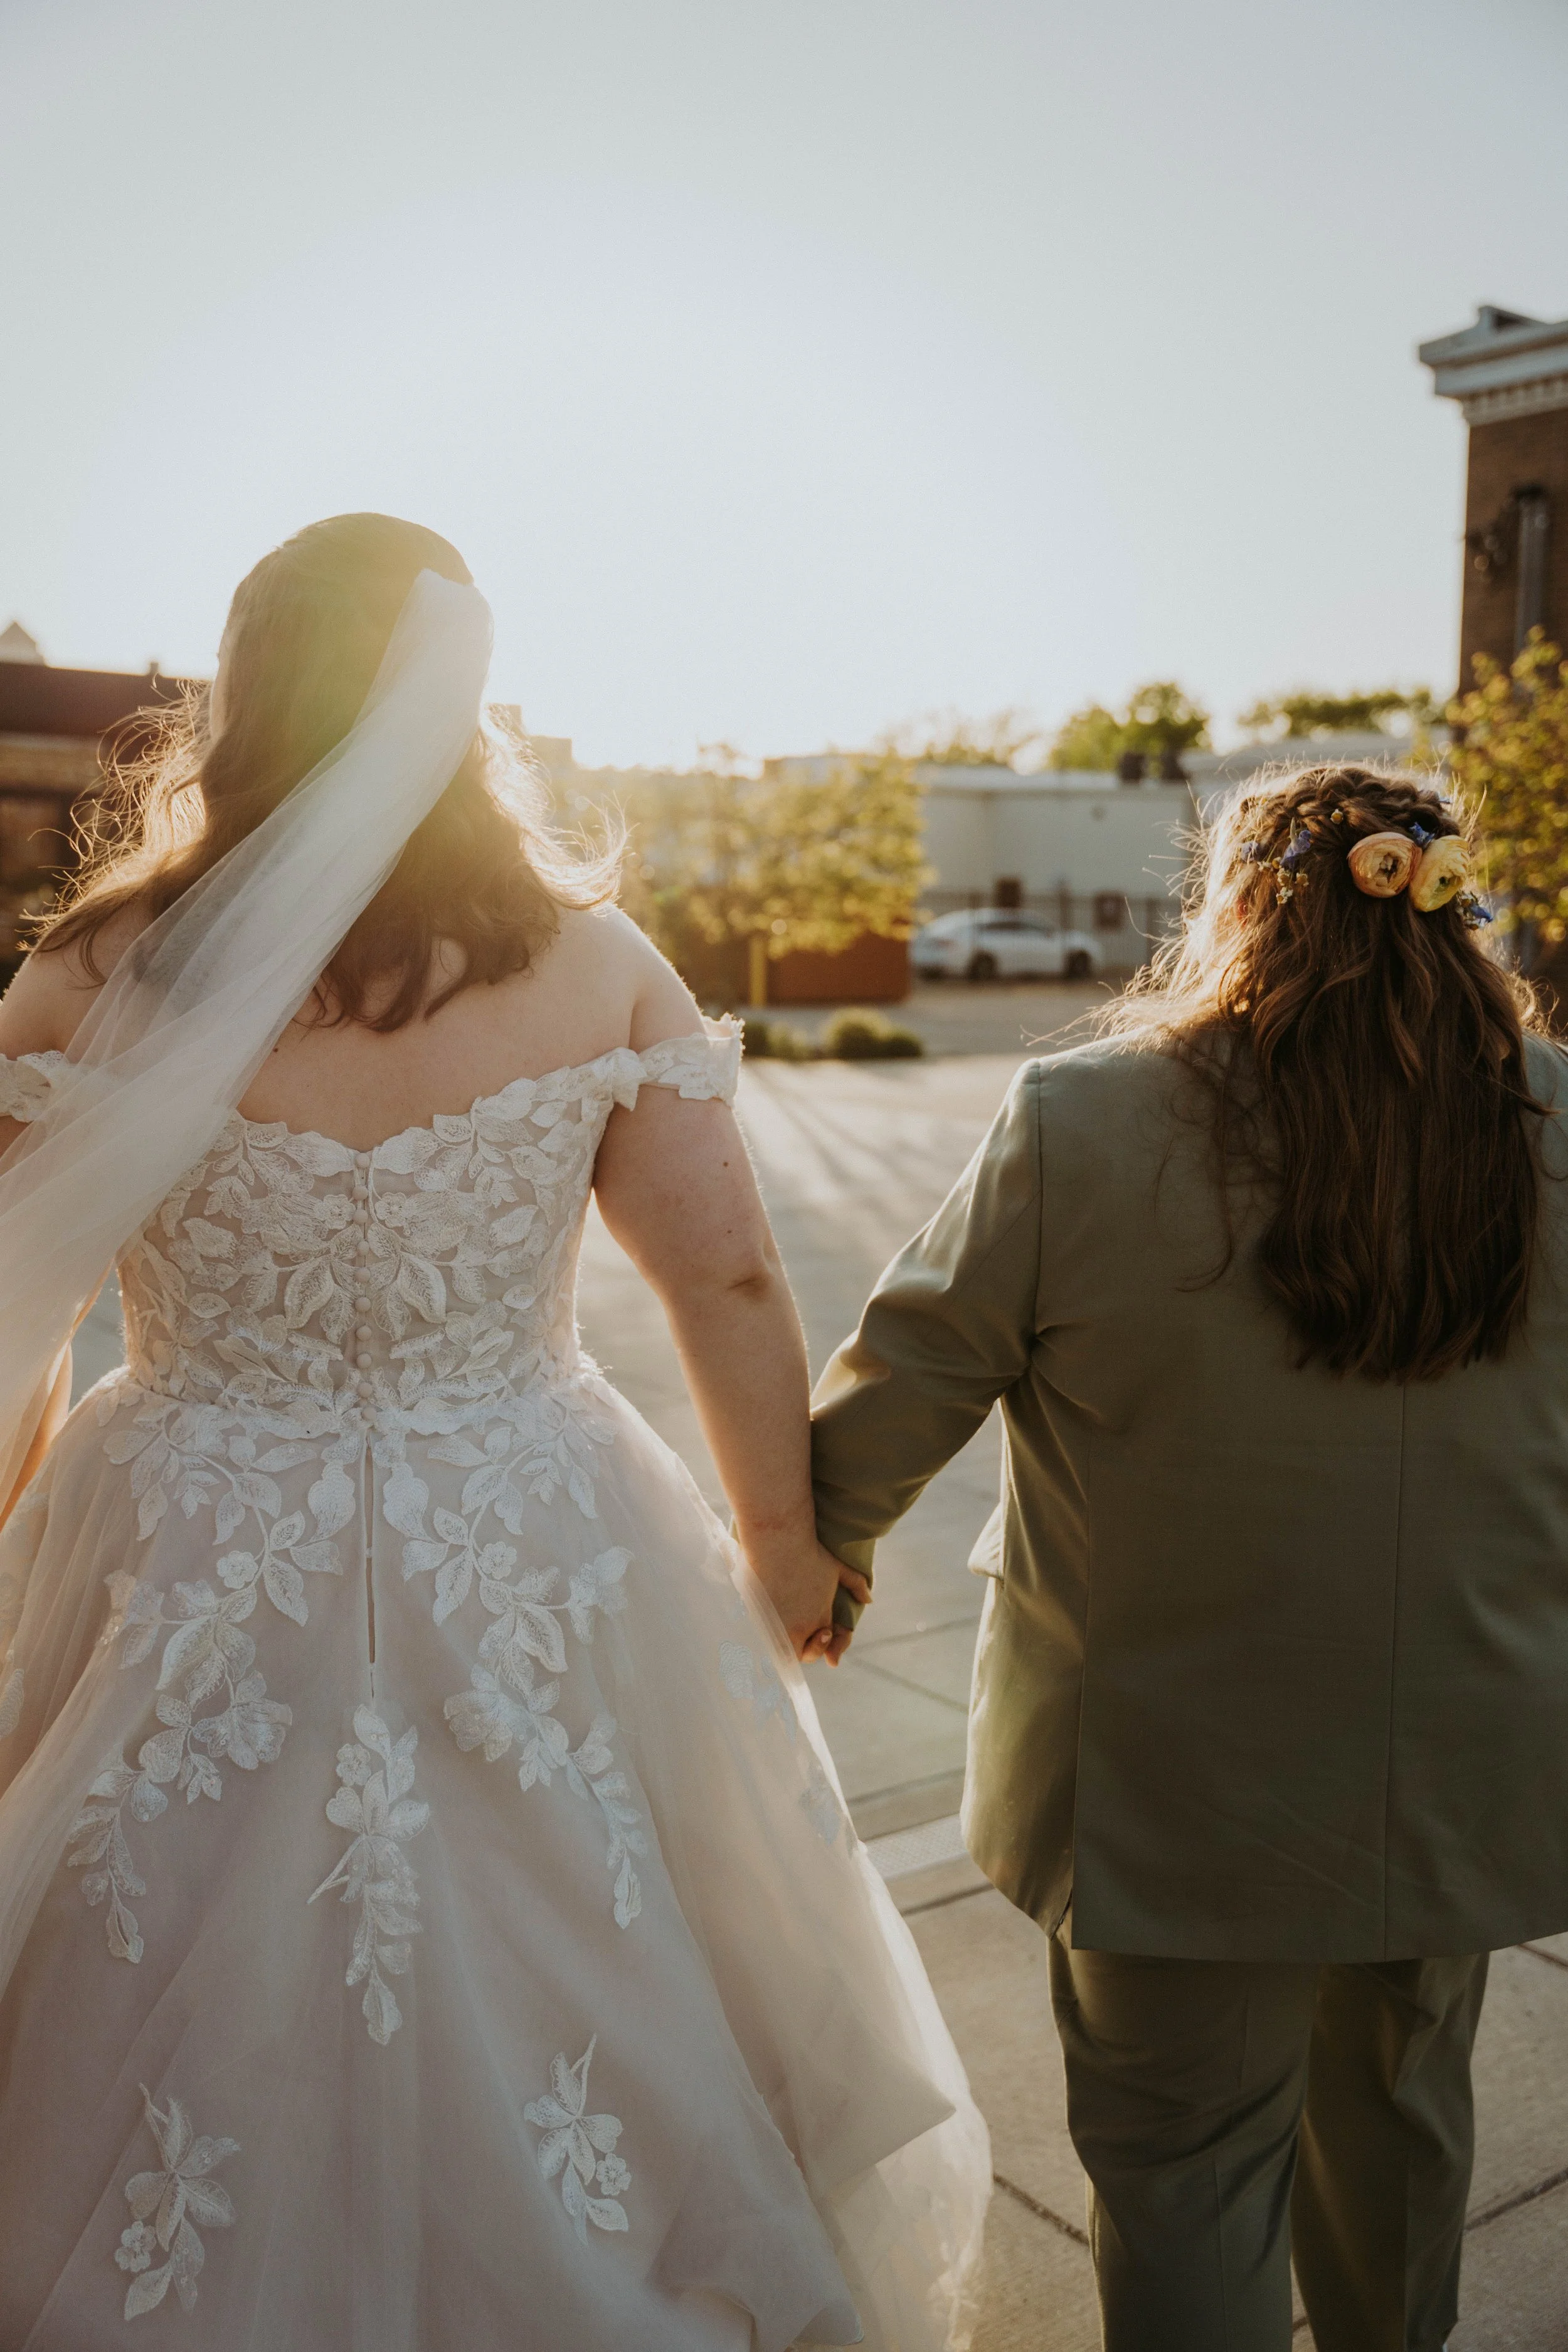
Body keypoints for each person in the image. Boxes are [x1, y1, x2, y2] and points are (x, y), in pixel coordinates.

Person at [0, 512, 990, 2351]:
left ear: (241, 688)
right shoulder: (595, 964)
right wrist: (783, 1538)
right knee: (601, 1944)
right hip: (525, 1514)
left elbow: (14, 1293)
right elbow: (733, 1283)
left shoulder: (88, 974)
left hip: (184, 1527)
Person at [809, 764, 1568, 2352]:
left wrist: (813, 1548)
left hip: (1164, 1778)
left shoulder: (1079, 1119)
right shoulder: (1557, 1121)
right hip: (1458, 1750)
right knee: (1403, 2130)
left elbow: (904, 1385)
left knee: (1181, 2172)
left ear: (1235, 907)